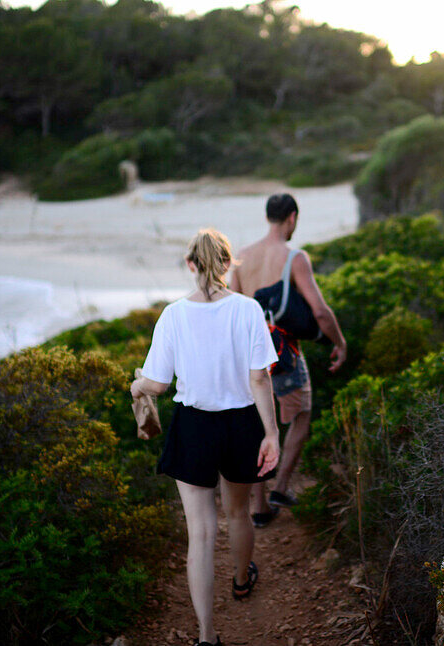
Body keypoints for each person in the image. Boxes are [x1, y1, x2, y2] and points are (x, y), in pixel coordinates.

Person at [131, 228, 280, 646]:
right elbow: (258, 378)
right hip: (241, 424)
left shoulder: (174, 314)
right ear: (229, 263)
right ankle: (240, 581)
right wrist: (271, 433)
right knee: (238, 513)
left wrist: (136, 388)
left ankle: (206, 636)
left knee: (200, 532)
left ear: (190, 264)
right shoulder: (248, 310)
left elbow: (158, 385)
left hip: (194, 425)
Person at [230, 193, 347, 526]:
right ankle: (280, 487)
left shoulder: (242, 256)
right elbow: (321, 311)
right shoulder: (294, 257)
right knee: (302, 414)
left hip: (249, 354)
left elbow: (231, 308)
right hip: (284, 352)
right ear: (292, 218)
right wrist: (339, 342)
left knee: (256, 424)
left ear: (269, 216)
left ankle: (259, 507)